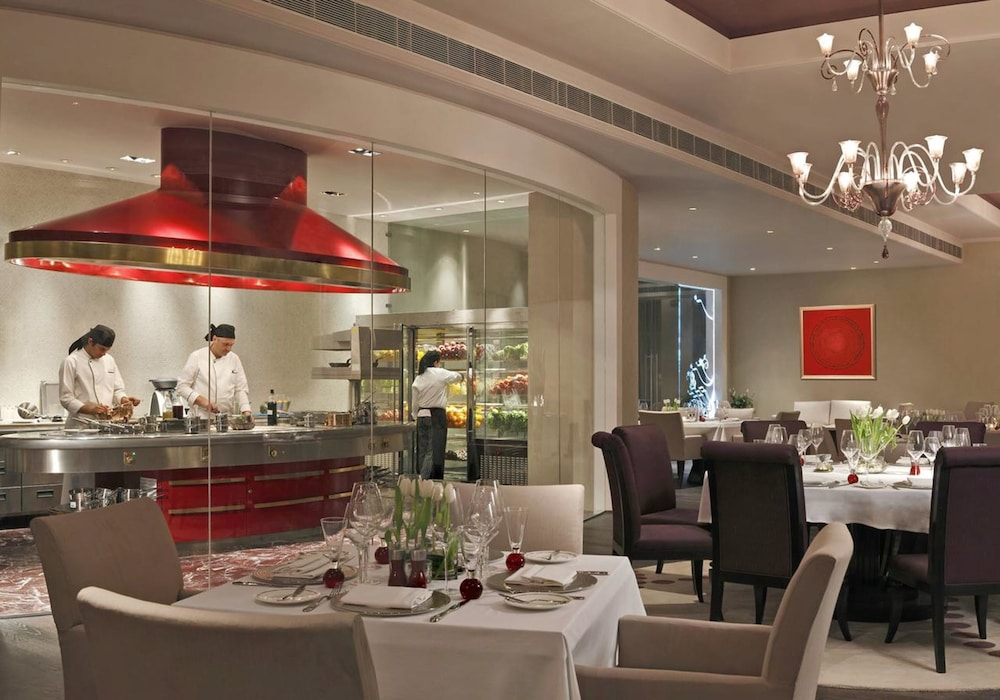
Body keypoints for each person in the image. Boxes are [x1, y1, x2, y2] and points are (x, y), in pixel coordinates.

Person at [59, 324, 141, 428]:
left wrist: (124, 400)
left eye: (107, 350)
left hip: (107, 424)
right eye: (101, 349)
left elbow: (117, 390)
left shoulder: (109, 360)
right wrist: (89, 409)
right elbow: (66, 398)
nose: (104, 353)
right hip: (81, 425)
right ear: (90, 341)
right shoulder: (71, 361)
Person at [176, 323, 253, 420]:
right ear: (215, 339)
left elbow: (241, 389)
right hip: (200, 418)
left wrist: (246, 411)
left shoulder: (234, 359)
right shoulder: (197, 356)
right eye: (225, 344)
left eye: (231, 345)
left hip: (225, 418)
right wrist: (204, 402)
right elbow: (182, 387)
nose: (229, 349)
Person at [411, 349, 464, 480]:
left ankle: (420, 478)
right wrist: (463, 376)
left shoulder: (419, 377)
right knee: (434, 450)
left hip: (421, 415)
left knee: (422, 449)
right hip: (436, 416)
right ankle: (428, 480)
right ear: (435, 362)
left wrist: (414, 416)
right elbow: (457, 376)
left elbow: (415, 402)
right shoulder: (440, 373)